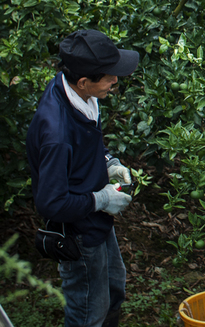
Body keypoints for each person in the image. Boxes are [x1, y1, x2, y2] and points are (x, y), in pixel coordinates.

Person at [26, 29, 139, 327]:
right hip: (78, 231)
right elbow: (52, 203)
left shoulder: (77, 93)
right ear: (84, 82)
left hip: (96, 221)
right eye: (109, 77)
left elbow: (85, 143)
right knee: (89, 310)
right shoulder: (57, 134)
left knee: (115, 287)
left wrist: (107, 161)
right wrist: (101, 199)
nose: (115, 81)